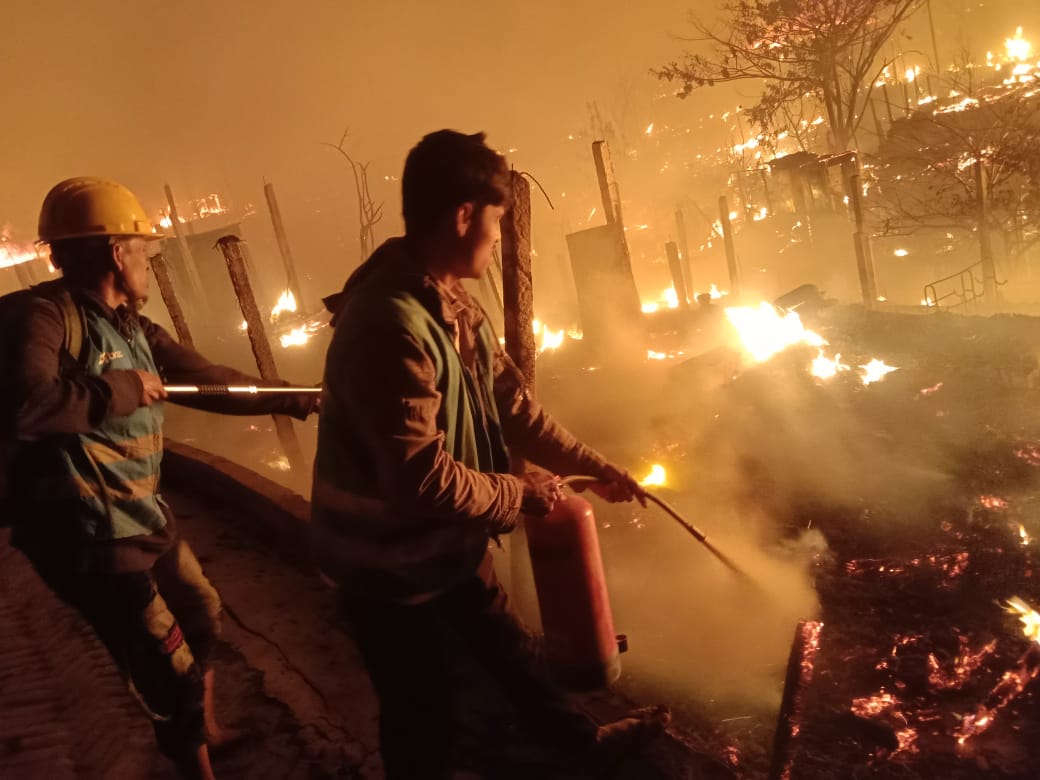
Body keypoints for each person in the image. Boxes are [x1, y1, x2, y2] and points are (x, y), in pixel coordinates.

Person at [312, 130, 670, 778]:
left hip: (441, 543)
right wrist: (520, 491)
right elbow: (418, 479)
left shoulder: (450, 301)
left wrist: (595, 466)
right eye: (497, 220)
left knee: (509, 652)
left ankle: (579, 744)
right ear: (463, 216)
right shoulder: (390, 325)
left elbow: (515, 408)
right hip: (384, 568)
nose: (499, 236)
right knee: (423, 715)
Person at [1, 177, 318, 779]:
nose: (148, 263)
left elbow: (211, 382)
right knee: (166, 663)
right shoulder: (43, 320)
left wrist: (301, 396)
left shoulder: (130, 328)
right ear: (115, 252)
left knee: (199, 608)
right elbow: (28, 407)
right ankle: (194, 759)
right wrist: (120, 390)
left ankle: (205, 730)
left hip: (138, 511)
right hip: (85, 534)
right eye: (143, 251)